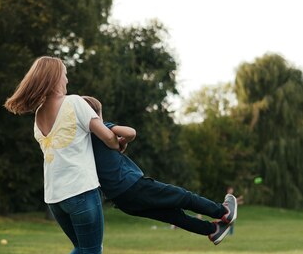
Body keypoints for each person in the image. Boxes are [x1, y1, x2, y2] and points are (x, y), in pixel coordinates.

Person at [4, 56, 120, 254]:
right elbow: (107, 137)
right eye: (65, 74)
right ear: (55, 78)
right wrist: (119, 140)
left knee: (83, 248)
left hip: (56, 198)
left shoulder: (39, 115)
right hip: (81, 191)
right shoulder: (75, 102)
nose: (67, 80)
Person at [82, 96, 237, 245]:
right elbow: (131, 133)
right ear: (95, 115)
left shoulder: (82, 143)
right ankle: (223, 211)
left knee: (173, 216)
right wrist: (119, 138)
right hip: (132, 186)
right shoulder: (101, 130)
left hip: (121, 200)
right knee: (182, 197)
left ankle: (213, 229)